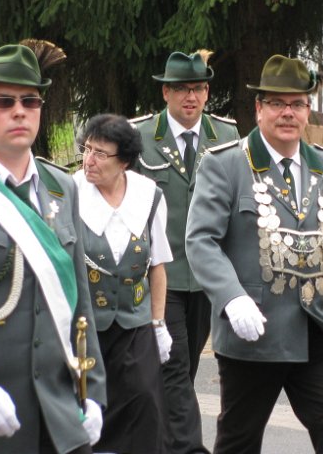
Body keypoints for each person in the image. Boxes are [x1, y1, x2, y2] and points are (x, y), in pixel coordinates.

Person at [185, 54, 323, 454]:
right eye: (276, 103)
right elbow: (200, 240)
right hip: (255, 330)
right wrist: (232, 298)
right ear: (258, 108)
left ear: (307, 110)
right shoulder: (227, 165)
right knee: (239, 438)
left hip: (317, 328)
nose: (288, 113)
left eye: (298, 104)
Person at [0, 44, 106, 453]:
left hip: (59, 412)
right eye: (4, 101)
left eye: (30, 100)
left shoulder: (62, 187)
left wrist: (95, 393)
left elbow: (81, 303)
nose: (20, 111)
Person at [131, 49, 239, 453]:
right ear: (165, 93)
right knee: (174, 369)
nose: (189, 97)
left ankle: (156, 443)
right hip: (162, 273)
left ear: (207, 91)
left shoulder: (226, 135)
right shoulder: (141, 136)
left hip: (208, 277)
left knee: (183, 371)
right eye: (180, 89)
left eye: (197, 88)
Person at [73, 113, 173, 453]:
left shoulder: (149, 197)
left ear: (125, 161)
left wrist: (158, 324)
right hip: (87, 330)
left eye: (101, 153)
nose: (90, 160)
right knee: (90, 409)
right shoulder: (70, 194)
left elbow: (157, 265)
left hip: (135, 324)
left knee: (145, 404)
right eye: (87, 149)